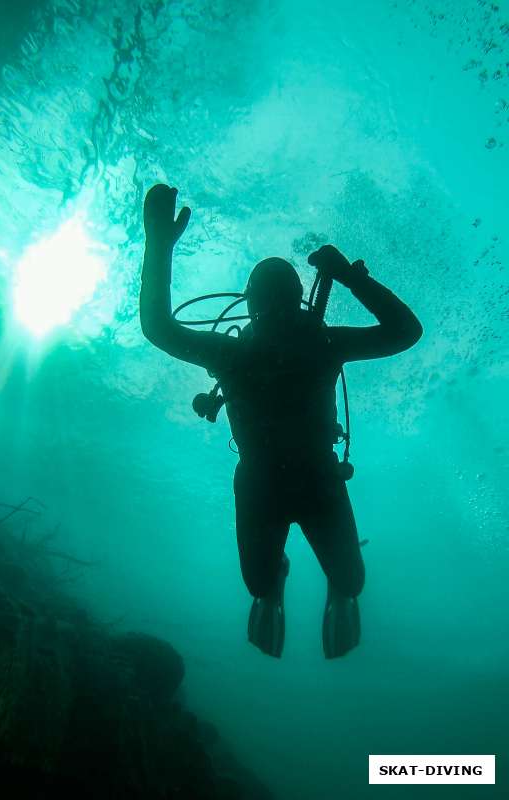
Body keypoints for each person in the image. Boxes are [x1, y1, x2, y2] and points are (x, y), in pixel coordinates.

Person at [139, 183, 423, 659]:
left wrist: (159, 245)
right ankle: (279, 582)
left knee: (349, 581)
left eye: (277, 298)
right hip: (275, 481)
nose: (271, 307)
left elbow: (158, 326)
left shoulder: (266, 350)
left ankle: (310, 587)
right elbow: (405, 331)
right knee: (261, 583)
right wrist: (349, 278)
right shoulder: (309, 346)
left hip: (306, 478)